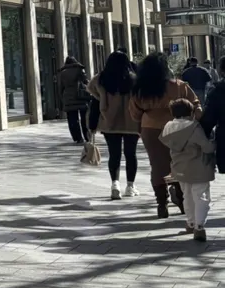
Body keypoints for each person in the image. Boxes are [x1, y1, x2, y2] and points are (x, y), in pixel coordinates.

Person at [129, 52, 201, 218]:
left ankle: (162, 203)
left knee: (158, 165)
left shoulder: (140, 90)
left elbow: (134, 113)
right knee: (180, 162)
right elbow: (195, 103)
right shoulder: (179, 85)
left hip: (150, 127)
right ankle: (182, 198)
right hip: (178, 126)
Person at [88, 50, 140, 200]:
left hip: (109, 122)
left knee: (114, 154)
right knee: (131, 154)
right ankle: (130, 186)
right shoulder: (134, 80)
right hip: (132, 122)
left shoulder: (101, 80)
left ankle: (115, 184)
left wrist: (92, 125)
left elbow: (95, 103)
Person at [159, 98, 213, 243]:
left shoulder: (168, 127)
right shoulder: (193, 127)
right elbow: (206, 147)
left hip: (179, 168)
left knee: (187, 196)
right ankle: (199, 227)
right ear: (190, 112)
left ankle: (190, 224)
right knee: (201, 197)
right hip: (199, 169)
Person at [56, 55, 91, 143]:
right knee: (84, 119)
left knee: (72, 119)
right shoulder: (80, 69)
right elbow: (86, 81)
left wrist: (62, 99)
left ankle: (77, 138)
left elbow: (60, 88)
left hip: (68, 97)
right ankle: (87, 136)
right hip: (81, 96)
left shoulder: (62, 73)